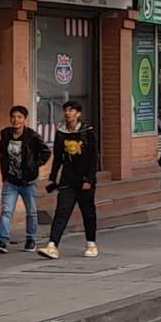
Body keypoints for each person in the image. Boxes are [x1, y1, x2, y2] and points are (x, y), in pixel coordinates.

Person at [38, 100, 99, 260]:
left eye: (71, 110)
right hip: (68, 180)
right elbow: (58, 157)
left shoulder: (87, 132)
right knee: (62, 211)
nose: (68, 113)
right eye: (66, 110)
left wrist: (89, 179)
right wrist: (52, 178)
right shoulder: (61, 133)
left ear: (78, 114)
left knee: (88, 212)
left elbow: (94, 158)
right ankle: (52, 245)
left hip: (85, 180)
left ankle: (91, 244)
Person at [0, 106, 50, 253]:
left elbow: (46, 152)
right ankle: (2, 241)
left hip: (28, 181)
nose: (16, 120)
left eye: (19, 117)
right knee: (7, 211)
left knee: (31, 211)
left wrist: (33, 165)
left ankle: (31, 239)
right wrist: (5, 172)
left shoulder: (32, 136)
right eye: (13, 117)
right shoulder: (6, 134)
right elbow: (2, 152)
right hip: (11, 180)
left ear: (24, 119)